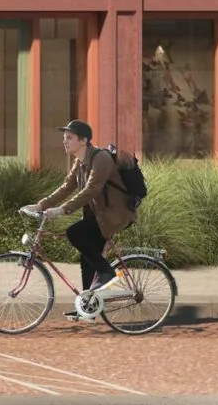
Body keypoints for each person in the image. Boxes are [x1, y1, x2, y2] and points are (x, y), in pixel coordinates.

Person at [28, 118, 140, 320]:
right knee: (87, 258)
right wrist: (41, 205)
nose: (65, 142)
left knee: (75, 233)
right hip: (99, 215)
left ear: (83, 140)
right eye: (64, 138)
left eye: (69, 138)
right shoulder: (80, 162)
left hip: (115, 214)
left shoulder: (101, 159)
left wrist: (62, 210)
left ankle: (107, 273)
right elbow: (66, 187)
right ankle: (88, 308)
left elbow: (92, 190)